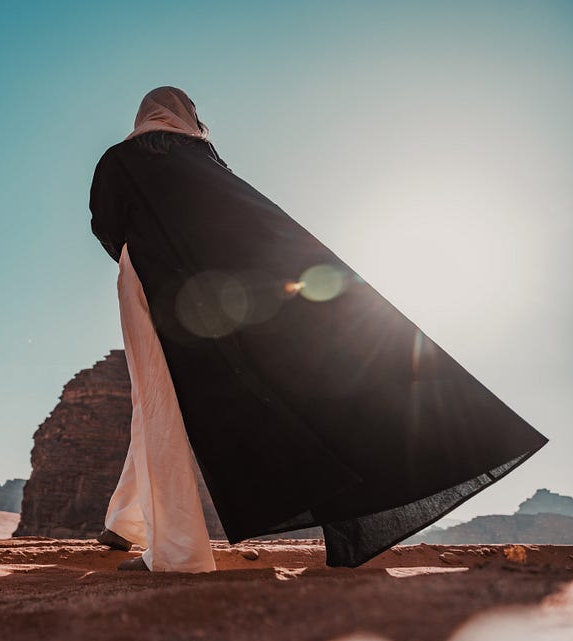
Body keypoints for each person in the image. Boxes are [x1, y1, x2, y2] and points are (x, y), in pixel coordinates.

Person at [89, 86, 549, 572]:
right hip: (220, 297)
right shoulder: (204, 161)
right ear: (188, 117)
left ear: (144, 115)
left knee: (156, 396)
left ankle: (177, 552)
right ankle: (127, 522)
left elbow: (105, 224)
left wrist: (145, 252)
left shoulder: (119, 160)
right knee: (160, 400)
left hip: (148, 283)